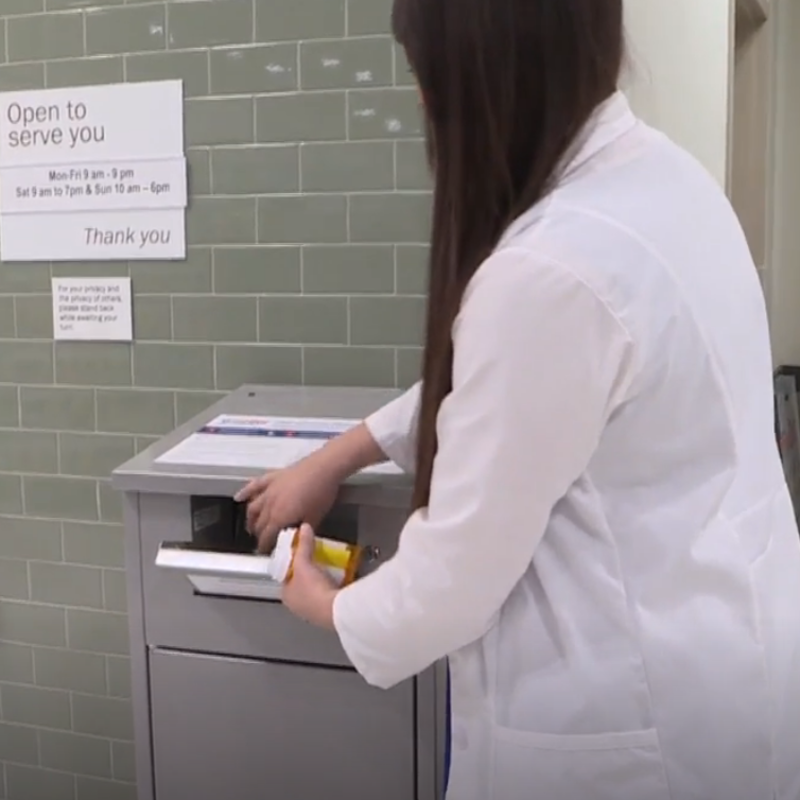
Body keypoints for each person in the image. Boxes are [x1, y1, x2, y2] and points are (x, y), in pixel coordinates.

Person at [236, 0, 800, 797]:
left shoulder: (550, 269)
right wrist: (344, 450)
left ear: (483, 75)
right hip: (730, 673)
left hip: (626, 729)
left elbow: (446, 588)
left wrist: (323, 605)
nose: (425, 104)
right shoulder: (663, 180)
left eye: (423, 79)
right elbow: (517, 382)